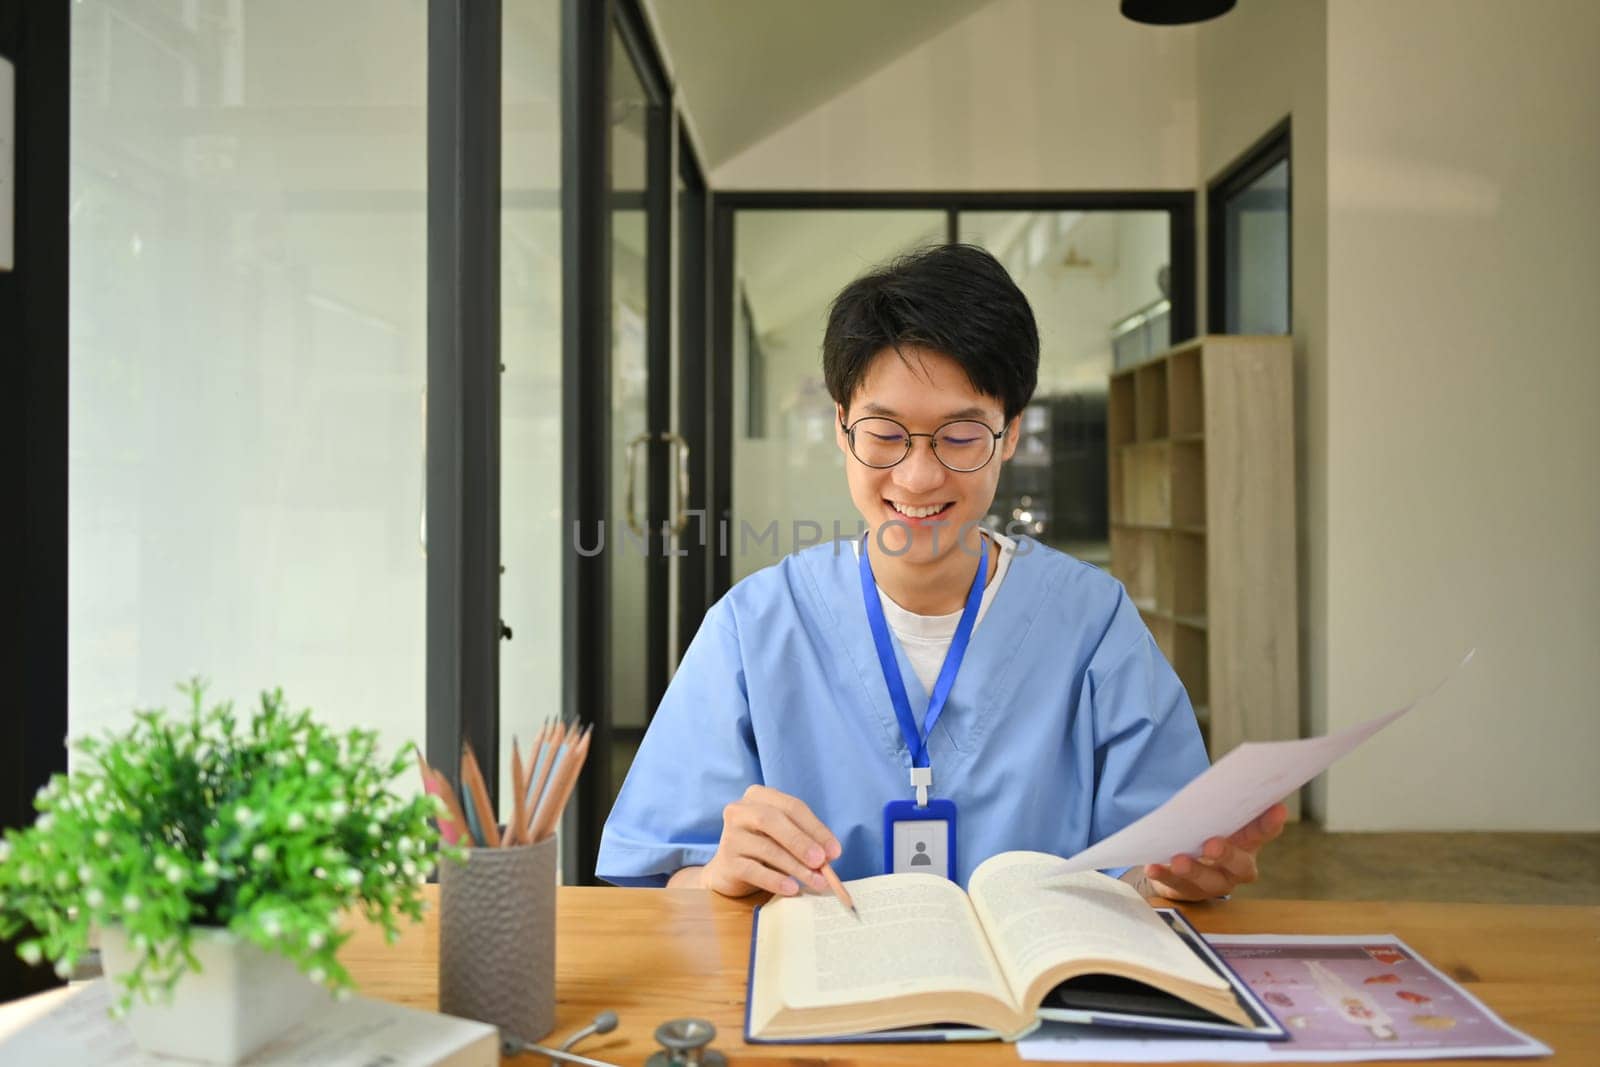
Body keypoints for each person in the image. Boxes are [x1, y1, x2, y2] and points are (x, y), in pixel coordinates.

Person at [596, 243, 1286, 901]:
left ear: (1011, 431)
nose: (919, 475)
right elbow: (654, 879)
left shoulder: (1092, 624)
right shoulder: (753, 629)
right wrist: (719, 872)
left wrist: (1186, 875)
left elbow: (1156, 869)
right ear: (841, 425)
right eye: (885, 433)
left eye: (960, 435)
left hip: (1036, 1015)